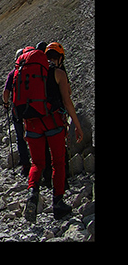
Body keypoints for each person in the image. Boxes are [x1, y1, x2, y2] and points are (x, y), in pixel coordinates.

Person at [21, 42, 84, 222]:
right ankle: (58, 203)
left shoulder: (30, 71)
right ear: (60, 57)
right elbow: (67, 102)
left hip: (32, 123)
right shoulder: (59, 73)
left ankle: (32, 194)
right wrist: (77, 126)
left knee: (37, 163)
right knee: (58, 162)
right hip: (53, 123)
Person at [3, 49, 31, 177]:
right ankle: (43, 164)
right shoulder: (33, 71)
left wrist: (6, 103)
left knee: (20, 137)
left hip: (18, 109)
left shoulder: (13, 74)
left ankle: (25, 165)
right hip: (35, 107)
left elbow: (6, 92)